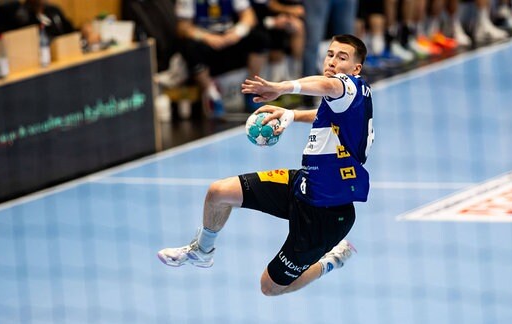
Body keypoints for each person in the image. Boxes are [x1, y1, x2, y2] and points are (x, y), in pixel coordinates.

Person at [158, 34, 374, 296]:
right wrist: (291, 114)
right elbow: (325, 114)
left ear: (356, 68)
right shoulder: (348, 100)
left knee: (270, 287)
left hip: (326, 215)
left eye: (342, 57)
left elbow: (327, 86)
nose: (332, 61)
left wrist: (282, 87)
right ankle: (202, 251)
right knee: (219, 192)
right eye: (330, 54)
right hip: (303, 184)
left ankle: (331, 260)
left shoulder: (347, 85)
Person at [175, 0, 269, 117]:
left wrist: (237, 33)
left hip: (229, 38)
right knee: (188, 47)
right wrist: (206, 37)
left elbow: (249, 16)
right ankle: (212, 96)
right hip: (206, 42)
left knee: (260, 38)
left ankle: (252, 90)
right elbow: (183, 27)